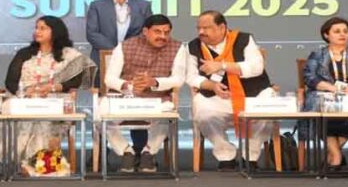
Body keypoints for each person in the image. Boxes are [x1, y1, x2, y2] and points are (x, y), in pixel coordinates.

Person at [0, 16, 93, 173]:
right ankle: (25, 163)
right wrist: (26, 92)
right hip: (24, 98)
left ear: (55, 31)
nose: (37, 31)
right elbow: (11, 81)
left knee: (41, 117)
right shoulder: (25, 53)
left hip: (54, 99)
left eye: (43, 28)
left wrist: (53, 87)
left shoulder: (69, 54)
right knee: (20, 113)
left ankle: (33, 163)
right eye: (36, 28)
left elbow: (80, 77)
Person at [187, 10, 274, 170]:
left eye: (206, 28)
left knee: (266, 111)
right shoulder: (193, 46)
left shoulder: (244, 39)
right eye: (198, 28)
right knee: (203, 113)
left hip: (251, 95)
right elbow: (191, 77)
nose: (201, 32)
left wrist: (223, 66)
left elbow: (256, 68)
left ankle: (250, 155)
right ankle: (225, 154)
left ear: (222, 28)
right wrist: (212, 86)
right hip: (217, 97)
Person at [103, 14, 186, 173]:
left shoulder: (178, 48)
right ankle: (126, 152)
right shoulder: (125, 46)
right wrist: (130, 86)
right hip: (126, 97)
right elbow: (110, 78)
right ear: (145, 31)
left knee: (167, 114)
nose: (163, 36)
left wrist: (154, 82)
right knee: (100, 114)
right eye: (157, 32)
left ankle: (148, 152)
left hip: (157, 98)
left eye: (166, 32)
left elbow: (179, 79)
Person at [86, 0, 153, 153]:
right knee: (102, 105)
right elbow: (92, 34)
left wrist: (129, 51)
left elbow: (148, 33)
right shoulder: (97, 6)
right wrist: (118, 52)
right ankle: (102, 152)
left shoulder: (143, 6)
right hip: (104, 60)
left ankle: (139, 150)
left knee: (136, 101)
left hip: (135, 60)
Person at [300, 17, 348, 171]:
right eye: (337, 31)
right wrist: (330, 88)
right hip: (324, 94)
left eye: (345, 31)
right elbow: (309, 77)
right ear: (326, 35)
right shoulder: (317, 54)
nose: (342, 34)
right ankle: (336, 156)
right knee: (316, 103)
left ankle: (333, 156)